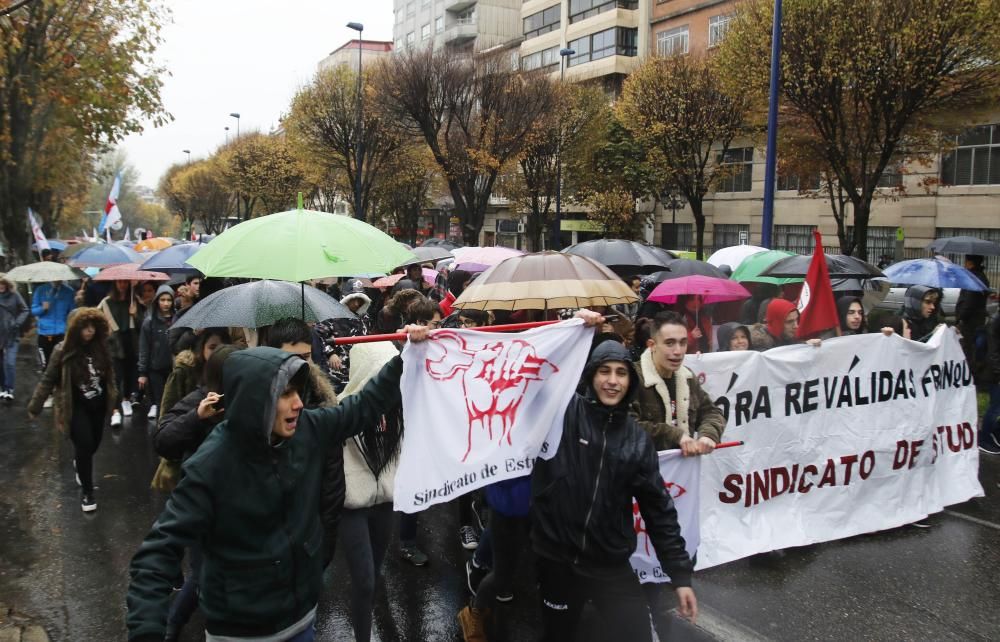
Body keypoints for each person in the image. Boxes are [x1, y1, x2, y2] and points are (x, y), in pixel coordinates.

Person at [126, 324, 431, 642]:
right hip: (241, 633)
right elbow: (157, 554)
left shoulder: (307, 427)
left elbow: (362, 408)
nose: (298, 403)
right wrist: (147, 631)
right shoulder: (211, 465)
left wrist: (406, 356)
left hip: (301, 620)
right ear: (254, 399)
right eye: (285, 394)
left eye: (297, 392)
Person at [489, 335, 696, 642]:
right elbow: (523, 375)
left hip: (610, 565)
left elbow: (659, 511)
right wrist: (570, 331)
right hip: (556, 563)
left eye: (621, 373)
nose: (612, 381)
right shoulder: (562, 414)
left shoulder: (637, 440)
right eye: (604, 371)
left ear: (630, 381)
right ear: (591, 375)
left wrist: (680, 576)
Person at [154, 345, 241, 642]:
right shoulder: (199, 398)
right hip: (204, 506)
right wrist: (197, 415)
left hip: (239, 506)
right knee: (204, 572)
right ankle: (174, 623)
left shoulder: (248, 398)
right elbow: (164, 440)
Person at [262, 317, 343, 568]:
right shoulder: (258, 405)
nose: (299, 365)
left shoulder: (322, 403)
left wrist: (325, 542)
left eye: (306, 357)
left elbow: (332, 486)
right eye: (291, 358)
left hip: (311, 535)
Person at [338, 341, 404, 642]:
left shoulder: (402, 408)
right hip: (352, 506)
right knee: (364, 580)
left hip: (385, 501)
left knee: (374, 574)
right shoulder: (343, 410)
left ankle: (366, 622)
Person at [27, 308, 117, 512]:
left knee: (93, 445)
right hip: (75, 407)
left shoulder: (101, 346)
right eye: (85, 327)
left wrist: (114, 401)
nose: (89, 331)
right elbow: (48, 379)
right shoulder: (62, 350)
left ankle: (80, 461)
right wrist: (35, 406)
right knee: (84, 444)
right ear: (75, 329)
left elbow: (110, 376)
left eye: (92, 326)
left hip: (98, 405)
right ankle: (87, 492)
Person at [98, 280, 143, 426]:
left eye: (125, 282)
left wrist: (135, 315)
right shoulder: (106, 302)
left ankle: (126, 399)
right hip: (114, 343)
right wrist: (106, 330)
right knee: (116, 377)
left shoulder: (133, 300)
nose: (122, 285)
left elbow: (142, 323)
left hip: (131, 341)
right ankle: (115, 410)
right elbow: (96, 320)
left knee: (130, 373)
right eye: (120, 282)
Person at [138, 285, 175, 421]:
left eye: (169, 300)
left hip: (173, 367)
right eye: (162, 299)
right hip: (156, 369)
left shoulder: (177, 319)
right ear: (157, 301)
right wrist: (142, 372)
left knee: (173, 400)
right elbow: (144, 347)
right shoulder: (149, 322)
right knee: (161, 402)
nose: (165, 303)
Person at [31, 280, 79, 375]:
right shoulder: (41, 290)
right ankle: (48, 387)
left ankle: (60, 387)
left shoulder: (69, 291)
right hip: (45, 332)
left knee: (62, 362)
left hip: (62, 332)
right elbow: (33, 310)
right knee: (46, 364)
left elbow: (72, 312)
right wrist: (43, 308)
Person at [956, 254, 990, 372]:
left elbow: (969, 302)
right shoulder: (980, 277)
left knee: (967, 349)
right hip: (976, 319)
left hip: (970, 321)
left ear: (970, 263)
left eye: (966, 262)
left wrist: (961, 318)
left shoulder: (974, 279)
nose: (964, 264)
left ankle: (969, 373)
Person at [0, 274, 29, 400]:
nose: (0, 286)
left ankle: (9, 388)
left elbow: (25, 309)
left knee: (10, 362)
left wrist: (17, 323)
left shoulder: (14, 295)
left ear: (7, 284)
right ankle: (2, 388)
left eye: (2, 284)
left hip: (12, 333)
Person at [980, 309, 1000, 456]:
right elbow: (993, 353)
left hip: (995, 371)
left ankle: (995, 432)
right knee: (995, 408)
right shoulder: (995, 322)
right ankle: (984, 438)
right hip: (995, 374)